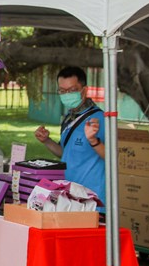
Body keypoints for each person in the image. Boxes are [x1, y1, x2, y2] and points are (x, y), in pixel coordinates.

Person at [34, 66, 105, 205]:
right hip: (70, 197)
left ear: (84, 90)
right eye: (62, 91)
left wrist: (93, 141)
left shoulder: (100, 119)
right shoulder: (69, 118)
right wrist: (47, 141)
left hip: (93, 200)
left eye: (72, 90)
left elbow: (114, 158)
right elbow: (65, 153)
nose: (67, 95)